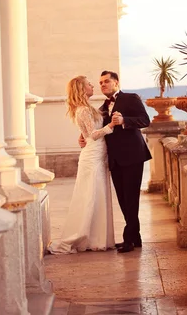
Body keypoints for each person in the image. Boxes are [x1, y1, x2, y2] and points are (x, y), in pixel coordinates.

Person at [48, 76, 117, 254]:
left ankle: (98, 238)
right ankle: (86, 237)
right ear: (81, 88)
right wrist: (111, 125)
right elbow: (93, 135)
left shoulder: (87, 108)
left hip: (98, 154)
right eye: (89, 84)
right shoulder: (83, 110)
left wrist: (83, 136)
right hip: (92, 155)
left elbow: (86, 134)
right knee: (90, 195)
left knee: (99, 194)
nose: (92, 85)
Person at [97, 70, 152, 253]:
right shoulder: (103, 107)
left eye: (106, 81)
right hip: (115, 159)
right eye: (101, 83)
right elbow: (100, 129)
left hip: (133, 156)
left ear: (116, 83)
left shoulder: (131, 98)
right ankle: (135, 238)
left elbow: (145, 120)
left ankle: (128, 238)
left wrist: (124, 120)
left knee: (131, 198)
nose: (103, 85)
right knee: (122, 198)